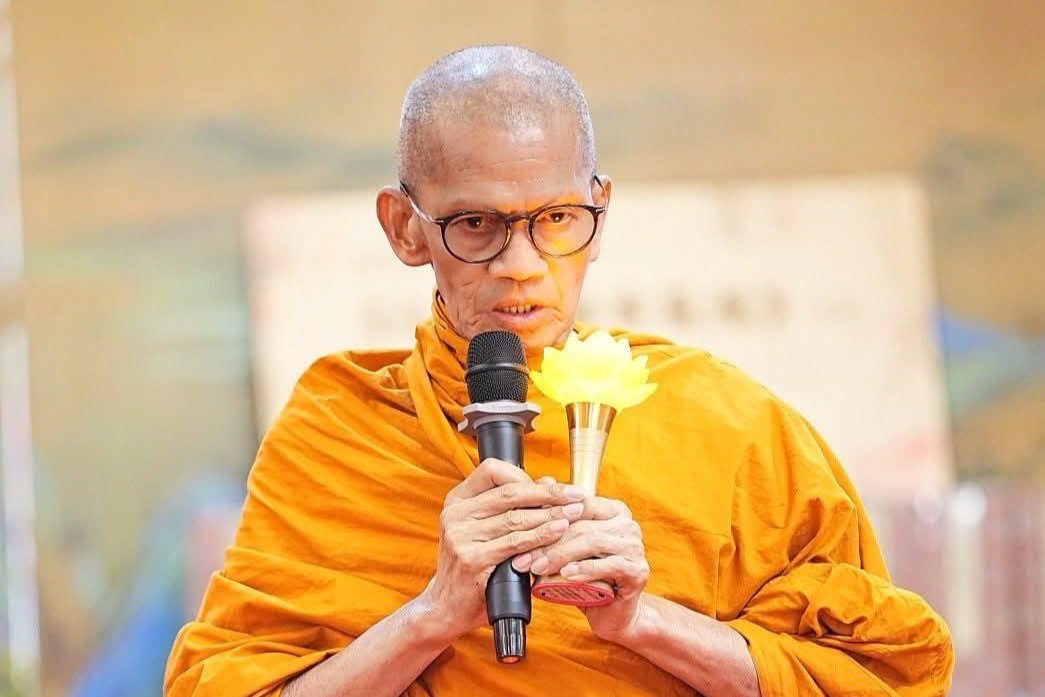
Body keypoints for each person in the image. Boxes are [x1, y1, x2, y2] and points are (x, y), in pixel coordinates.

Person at [164, 45, 954, 696]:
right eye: (476, 224)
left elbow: (879, 677)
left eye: (557, 220)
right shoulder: (339, 431)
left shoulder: (729, 424)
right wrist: (432, 614)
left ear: (599, 216)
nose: (520, 264)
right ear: (405, 228)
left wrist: (641, 621)